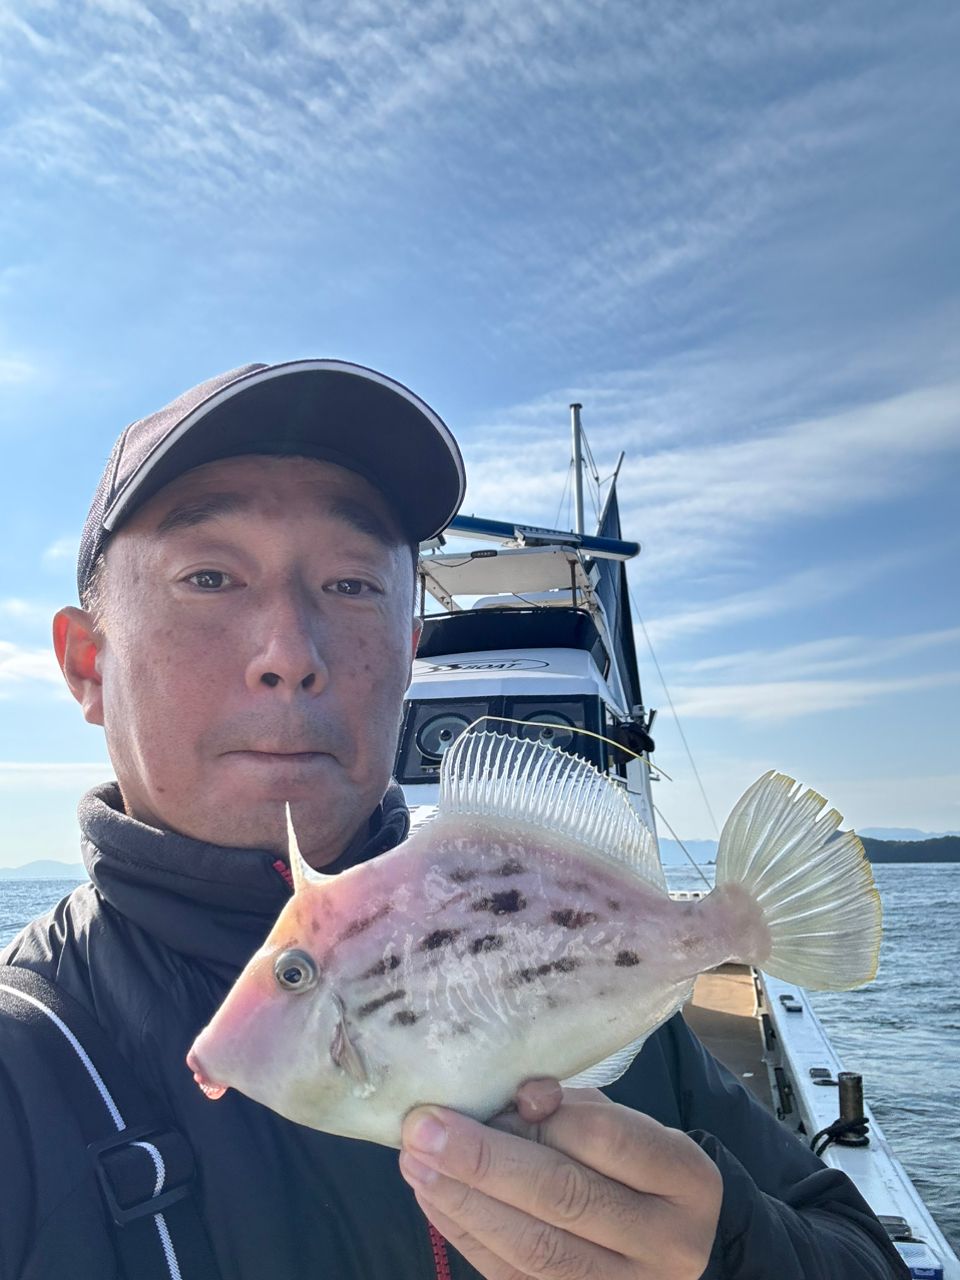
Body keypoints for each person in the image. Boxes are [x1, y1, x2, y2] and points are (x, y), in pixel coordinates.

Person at [0, 359, 908, 1280]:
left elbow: (856, 1250)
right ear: (87, 664)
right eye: (209, 576)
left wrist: (732, 1253)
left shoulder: (570, 963)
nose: (289, 653)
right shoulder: (23, 1058)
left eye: (351, 585)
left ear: (407, 652)